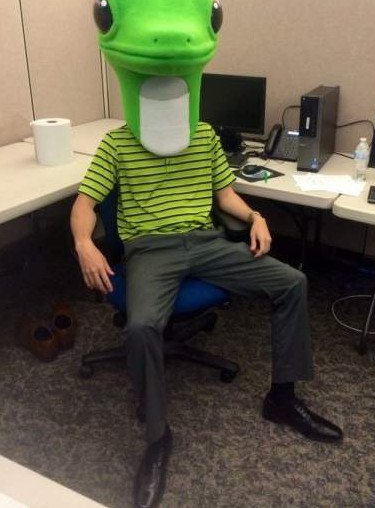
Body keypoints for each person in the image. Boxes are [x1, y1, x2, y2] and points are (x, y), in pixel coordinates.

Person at [71, 120, 343, 508]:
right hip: (151, 249)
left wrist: (256, 217)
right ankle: (157, 438)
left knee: (292, 282)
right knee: (142, 326)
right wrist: (84, 242)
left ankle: (282, 399)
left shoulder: (203, 134)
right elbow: (84, 203)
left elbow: (225, 195)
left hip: (206, 243)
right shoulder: (118, 142)